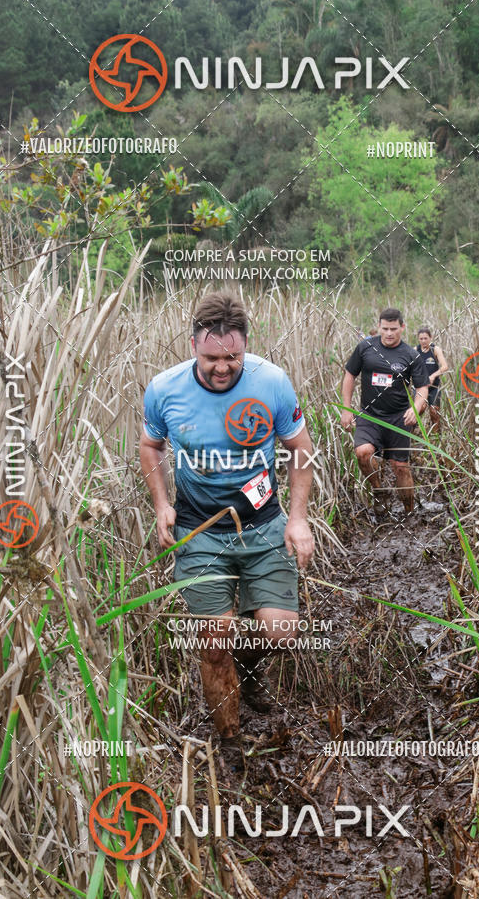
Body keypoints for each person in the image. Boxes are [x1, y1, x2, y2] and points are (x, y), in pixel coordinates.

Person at [140, 291, 314, 752]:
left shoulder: (271, 382)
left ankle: (251, 666)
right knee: (213, 645)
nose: (223, 367)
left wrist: (297, 519)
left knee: (279, 631)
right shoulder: (164, 389)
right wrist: (162, 505)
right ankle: (232, 745)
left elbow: (301, 450)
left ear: (245, 347)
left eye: (233, 357)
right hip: (199, 531)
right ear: (194, 343)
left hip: (263, 523)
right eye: (212, 357)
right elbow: (150, 446)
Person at [341, 308, 429, 517]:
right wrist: (346, 409)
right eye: (385, 329)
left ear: (402, 328)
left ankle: (409, 512)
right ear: (379, 326)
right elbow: (349, 375)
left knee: (400, 467)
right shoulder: (365, 348)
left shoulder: (411, 355)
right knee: (363, 453)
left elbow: (422, 388)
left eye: (394, 329)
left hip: (399, 418)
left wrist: (416, 408)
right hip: (370, 415)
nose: (389, 333)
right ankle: (380, 491)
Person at [415, 327, 449, 433]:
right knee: (420, 409)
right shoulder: (415, 350)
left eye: (426, 338)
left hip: (434, 387)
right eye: (421, 339)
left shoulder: (435, 350)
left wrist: (433, 376)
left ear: (430, 338)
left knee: (434, 412)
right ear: (418, 339)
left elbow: (444, 367)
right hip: (420, 387)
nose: (423, 341)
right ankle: (412, 433)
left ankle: (435, 438)